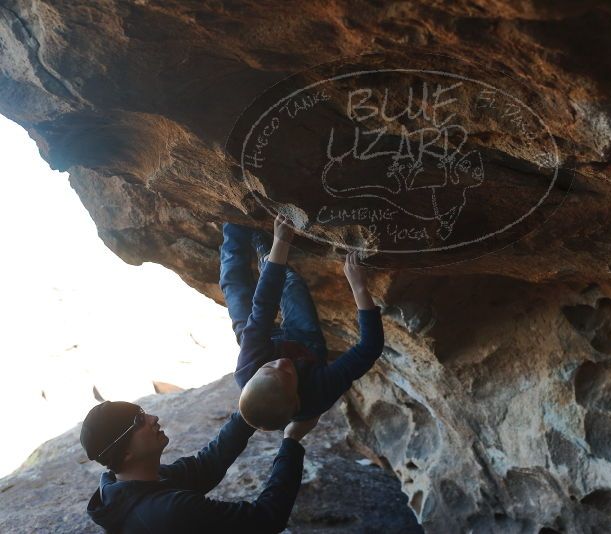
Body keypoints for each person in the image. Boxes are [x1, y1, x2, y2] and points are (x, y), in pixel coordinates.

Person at [219, 214, 384, 430]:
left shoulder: (248, 368)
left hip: (261, 345)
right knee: (290, 283)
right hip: (305, 345)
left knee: (233, 283)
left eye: (270, 367)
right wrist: (359, 287)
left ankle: (236, 220)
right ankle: (265, 250)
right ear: (296, 400)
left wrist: (281, 242)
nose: (282, 362)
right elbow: (369, 348)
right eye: (287, 373)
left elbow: (264, 306)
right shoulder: (318, 392)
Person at [80, 400, 318, 533]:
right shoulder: (168, 511)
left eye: (142, 411)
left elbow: (206, 466)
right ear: (126, 452)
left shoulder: (128, 488)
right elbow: (266, 518)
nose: (153, 418)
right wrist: (292, 441)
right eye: (138, 421)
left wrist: (251, 409)